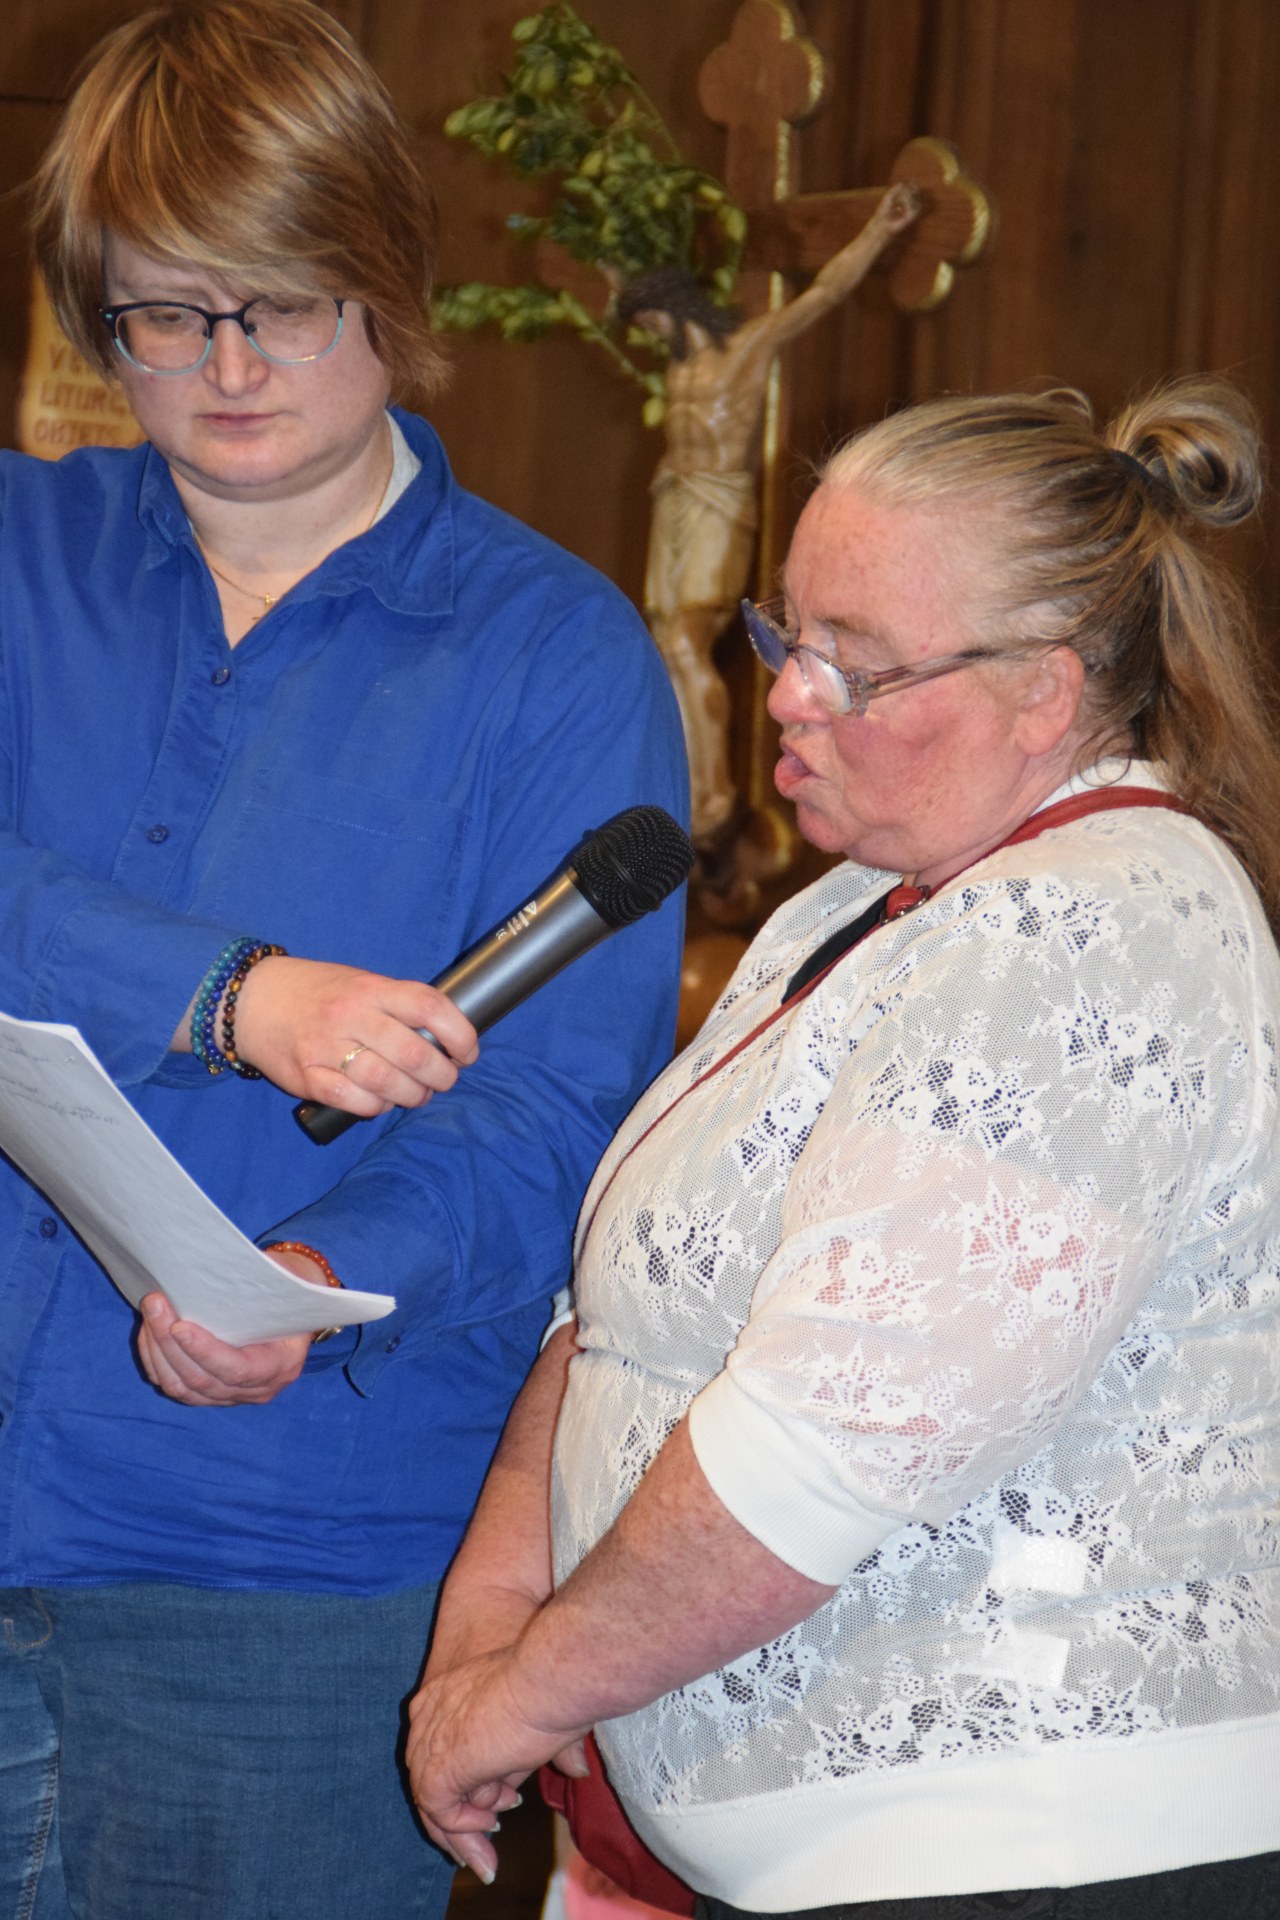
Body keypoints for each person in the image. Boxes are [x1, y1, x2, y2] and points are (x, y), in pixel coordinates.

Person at [407, 378, 1280, 1919]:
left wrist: (524, 1691)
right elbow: (617, 1315)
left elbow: (829, 1443)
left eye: (856, 666)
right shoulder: (850, 905)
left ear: (1045, 693)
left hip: (1033, 1850)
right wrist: (488, 1613)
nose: (787, 700)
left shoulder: (1101, 921)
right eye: (784, 636)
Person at [0, 5, 686, 1919]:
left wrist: (314, 1276)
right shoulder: (15, 549)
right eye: (161, 314)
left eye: (282, 303)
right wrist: (230, 993)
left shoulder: (556, 662)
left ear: (387, 283)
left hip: (282, 1581)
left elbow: (563, 1120)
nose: (224, 369)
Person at [618, 183, 920, 848]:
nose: (648, 335)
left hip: (718, 502)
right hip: (675, 500)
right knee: (666, 643)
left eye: (649, 321)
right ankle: (692, 783)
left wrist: (878, 230)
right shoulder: (677, 374)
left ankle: (715, 793)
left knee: (688, 642)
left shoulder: (744, 351)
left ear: (673, 307)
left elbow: (822, 296)